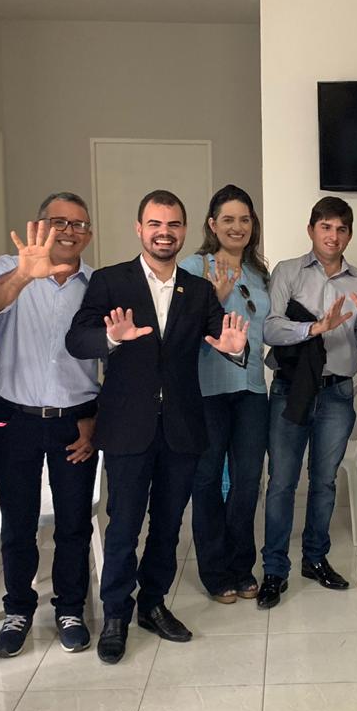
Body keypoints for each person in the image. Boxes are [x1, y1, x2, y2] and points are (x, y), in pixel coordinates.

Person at [67, 190, 248, 661]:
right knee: (124, 525)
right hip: (128, 427)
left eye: (172, 225)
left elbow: (225, 336)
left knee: (167, 526)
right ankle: (115, 614)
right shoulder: (110, 281)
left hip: (183, 428)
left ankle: (152, 604)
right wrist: (110, 337)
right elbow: (77, 339)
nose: (164, 233)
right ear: (139, 229)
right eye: (155, 224)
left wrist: (236, 348)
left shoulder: (198, 290)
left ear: (184, 231)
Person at [0, 195, 99, 657]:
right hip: (15, 418)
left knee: (74, 522)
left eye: (79, 224)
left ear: (88, 235)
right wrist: (24, 275)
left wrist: (95, 421)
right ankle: (18, 610)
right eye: (58, 221)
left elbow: (113, 357)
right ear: (40, 225)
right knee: (18, 520)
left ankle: (69, 608)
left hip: (75, 420)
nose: (68, 230)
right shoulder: (9, 269)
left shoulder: (97, 285)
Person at [255, 196, 357, 609]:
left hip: (337, 393)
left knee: (324, 481)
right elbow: (270, 329)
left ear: (349, 235)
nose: (333, 236)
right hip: (291, 389)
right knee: (282, 482)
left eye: (341, 229)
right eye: (326, 227)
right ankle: (274, 569)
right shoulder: (287, 271)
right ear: (311, 230)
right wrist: (313, 328)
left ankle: (314, 559)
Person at [179, 184, 270, 603]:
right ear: (212, 225)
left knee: (248, 481)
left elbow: (266, 328)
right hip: (207, 392)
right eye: (228, 219)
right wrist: (211, 300)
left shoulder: (259, 273)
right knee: (208, 480)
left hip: (251, 390)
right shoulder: (193, 267)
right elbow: (177, 330)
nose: (237, 227)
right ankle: (215, 572)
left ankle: (242, 565)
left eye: (244, 219)